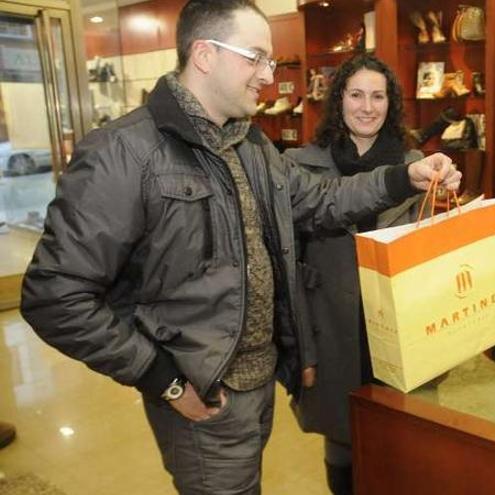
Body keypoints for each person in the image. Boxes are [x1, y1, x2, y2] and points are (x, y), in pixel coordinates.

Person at [18, 1, 459, 494]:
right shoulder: (122, 153)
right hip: (200, 395)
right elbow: (55, 295)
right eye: (256, 58)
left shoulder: (250, 145)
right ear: (205, 55)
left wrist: (405, 176)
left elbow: (323, 199)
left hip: (257, 384)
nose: (268, 76)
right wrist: (163, 377)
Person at [283, 53, 423, 495]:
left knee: (399, 441)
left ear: (391, 102)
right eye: (356, 94)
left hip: (395, 328)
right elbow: (289, 265)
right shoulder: (300, 164)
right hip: (330, 329)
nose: (367, 107)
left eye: (378, 96)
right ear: (338, 99)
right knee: (340, 442)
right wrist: (298, 346)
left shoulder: (415, 165)